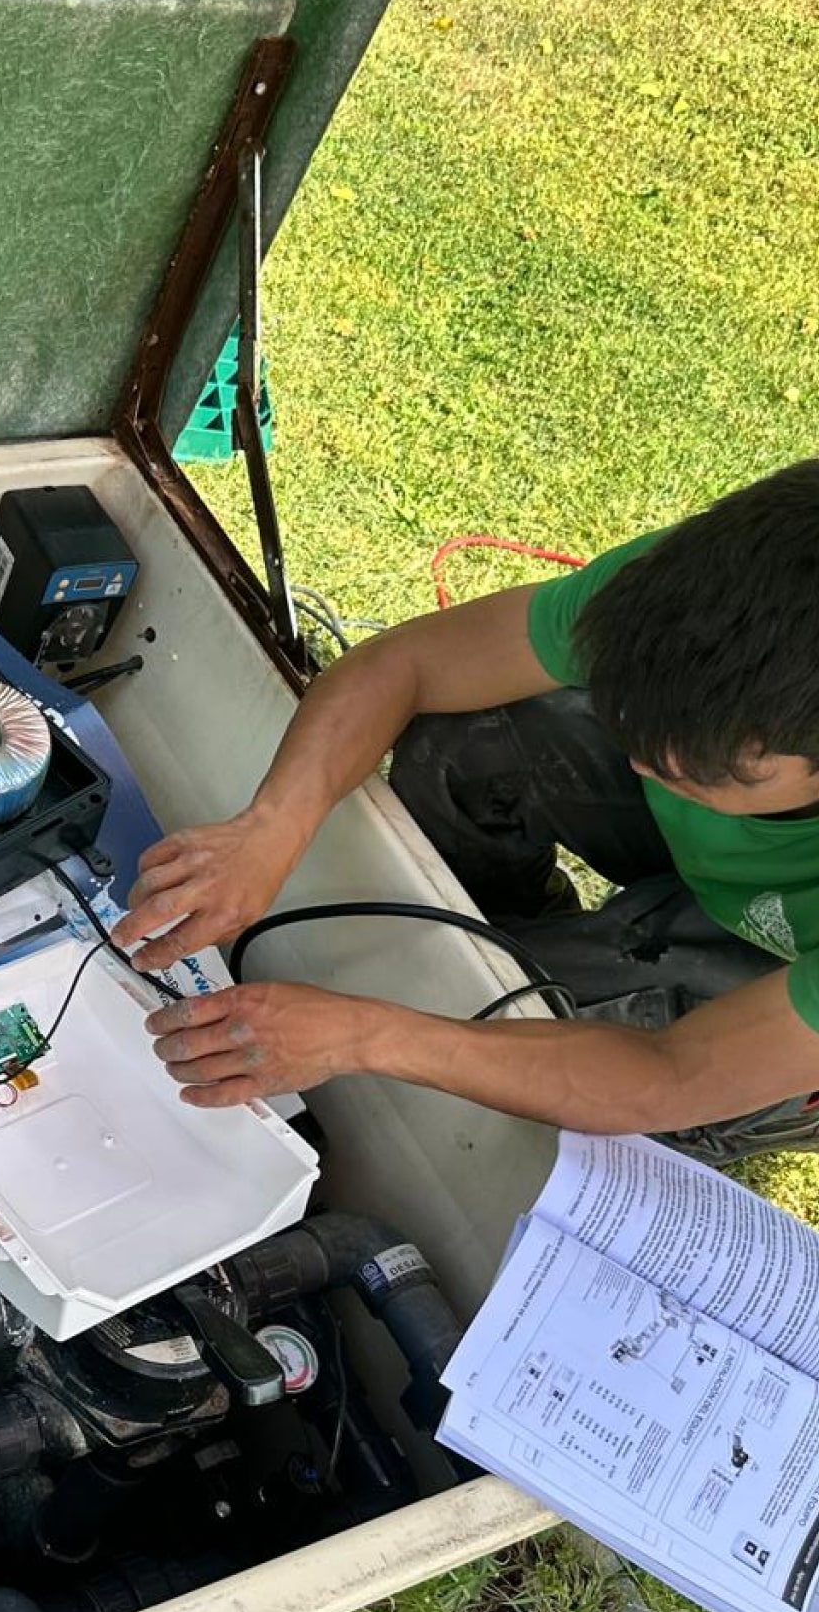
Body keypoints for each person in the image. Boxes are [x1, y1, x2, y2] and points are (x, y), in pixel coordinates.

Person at [114, 459, 819, 1164]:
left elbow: (666, 1076)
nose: (642, 764)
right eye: (630, 716)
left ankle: (550, 992)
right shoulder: (707, 588)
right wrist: (269, 830)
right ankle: (506, 936)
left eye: (704, 763)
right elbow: (410, 665)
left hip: (774, 1001)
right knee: (472, 736)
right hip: (747, 867)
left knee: (503, 1025)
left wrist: (364, 1034)